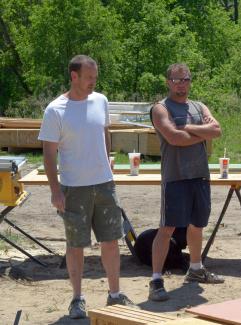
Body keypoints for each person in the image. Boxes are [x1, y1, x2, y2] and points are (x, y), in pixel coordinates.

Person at [38, 55, 135, 319]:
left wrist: (107, 161)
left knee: (111, 241)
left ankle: (115, 295)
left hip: (104, 185)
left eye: (95, 77)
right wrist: (55, 190)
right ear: (74, 76)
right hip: (73, 188)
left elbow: (104, 132)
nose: (94, 82)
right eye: (89, 77)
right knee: (76, 245)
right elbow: (48, 153)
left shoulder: (100, 101)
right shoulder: (55, 110)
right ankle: (77, 299)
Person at [148, 63, 223, 302]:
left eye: (186, 79)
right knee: (167, 228)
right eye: (176, 80)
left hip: (200, 175)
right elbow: (174, 138)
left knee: (197, 225)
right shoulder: (160, 109)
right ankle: (156, 279)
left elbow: (217, 130)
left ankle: (196, 269)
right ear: (168, 81)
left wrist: (188, 127)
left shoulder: (199, 106)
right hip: (175, 176)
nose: (182, 84)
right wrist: (202, 132)